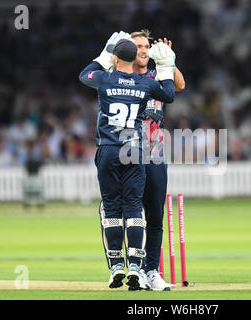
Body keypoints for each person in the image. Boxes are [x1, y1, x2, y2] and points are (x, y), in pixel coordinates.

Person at [79, 31, 176, 290]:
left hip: (109, 149)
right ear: (135, 57)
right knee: (135, 209)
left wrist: (104, 55)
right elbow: (169, 93)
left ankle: (116, 267)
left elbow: (84, 74)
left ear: (115, 57)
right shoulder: (145, 84)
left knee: (111, 209)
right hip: (134, 150)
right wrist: (166, 66)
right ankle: (136, 265)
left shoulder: (104, 78)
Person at [131, 29, 185, 291]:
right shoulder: (122, 78)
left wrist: (169, 60)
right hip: (127, 154)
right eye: (137, 46)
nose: (142, 50)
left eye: (145, 46)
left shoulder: (158, 76)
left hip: (155, 154)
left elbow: (180, 85)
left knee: (154, 216)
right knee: (131, 216)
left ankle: (152, 270)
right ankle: (134, 269)